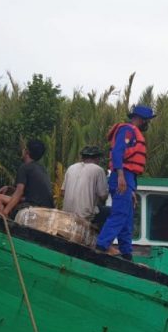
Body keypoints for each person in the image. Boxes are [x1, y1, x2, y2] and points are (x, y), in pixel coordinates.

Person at [95, 105, 155, 260]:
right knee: (120, 213)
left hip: (129, 178)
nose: (147, 123)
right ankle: (101, 245)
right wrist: (121, 176)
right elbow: (117, 153)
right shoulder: (127, 130)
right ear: (140, 119)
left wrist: (132, 189)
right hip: (122, 174)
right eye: (147, 120)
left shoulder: (133, 132)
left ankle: (126, 253)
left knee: (127, 217)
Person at [0, 139, 54, 218]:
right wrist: (9, 188)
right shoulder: (41, 169)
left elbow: (19, 192)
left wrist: (5, 211)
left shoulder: (25, 167)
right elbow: (32, 192)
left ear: (26, 151)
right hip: (47, 207)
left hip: (33, 207)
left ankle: (4, 222)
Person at [61, 146, 108, 222]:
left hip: (66, 213)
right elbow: (103, 196)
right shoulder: (98, 170)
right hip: (85, 216)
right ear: (97, 158)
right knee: (108, 212)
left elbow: (63, 192)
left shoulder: (71, 168)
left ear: (82, 158)